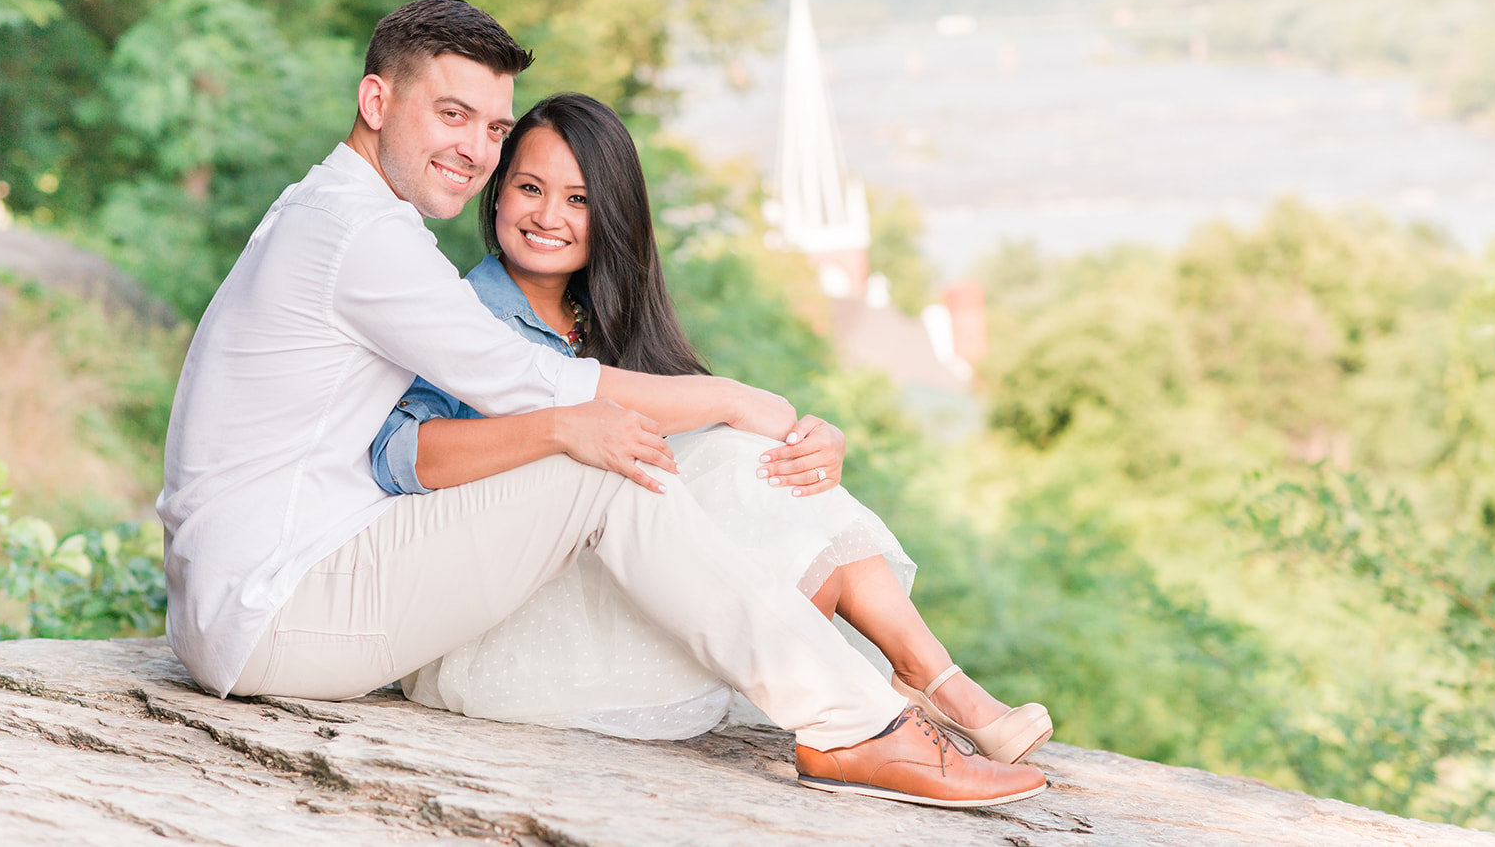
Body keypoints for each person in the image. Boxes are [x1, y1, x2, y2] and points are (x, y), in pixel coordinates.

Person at [156, 0, 1046, 809]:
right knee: (603, 462)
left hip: (272, 589)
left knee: (629, 449)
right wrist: (729, 397)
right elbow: (524, 381)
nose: (474, 148)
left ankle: (878, 703)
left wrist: (734, 417)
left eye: (492, 126)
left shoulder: (340, 214)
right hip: (274, 607)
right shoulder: (361, 237)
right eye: (451, 114)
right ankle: (856, 725)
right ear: (377, 103)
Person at [370, 92, 1053, 765]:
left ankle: (932, 682)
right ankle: (917, 695)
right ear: (497, 196)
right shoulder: (467, 315)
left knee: (749, 460)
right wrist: (559, 429)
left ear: (613, 215)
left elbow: (702, 456)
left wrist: (808, 447)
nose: (549, 216)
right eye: (529, 188)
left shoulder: (606, 321)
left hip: (612, 591)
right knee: (735, 459)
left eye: (578, 199)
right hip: (495, 627)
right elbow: (396, 453)